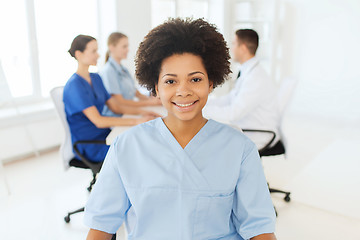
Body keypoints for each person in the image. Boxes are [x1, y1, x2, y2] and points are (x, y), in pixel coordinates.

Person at [84, 19, 277, 240]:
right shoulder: (126, 147)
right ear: (155, 87)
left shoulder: (239, 149)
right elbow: (101, 225)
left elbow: (259, 228)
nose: (183, 91)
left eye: (195, 79)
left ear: (210, 83)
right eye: (170, 81)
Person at [63, 35, 158, 162]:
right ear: (79, 54)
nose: (98, 55)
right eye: (93, 51)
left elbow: (116, 107)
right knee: (138, 151)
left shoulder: (96, 78)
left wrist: (142, 113)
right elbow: (99, 121)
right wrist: (137, 121)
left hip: (106, 134)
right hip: (91, 144)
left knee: (141, 140)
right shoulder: (74, 86)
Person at [203, 29, 279, 150]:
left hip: (257, 133)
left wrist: (201, 111)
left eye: (233, 44)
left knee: (207, 139)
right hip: (248, 125)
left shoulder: (255, 78)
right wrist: (203, 103)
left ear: (243, 48)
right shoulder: (249, 72)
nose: (231, 48)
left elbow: (233, 113)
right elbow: (230, 98)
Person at [99, 32, 161, 117]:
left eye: (127, 46)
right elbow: (119, 101)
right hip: (117, 117)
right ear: (112, 47)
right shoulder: (108, 71)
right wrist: (149, 102)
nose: (128, 49)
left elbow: (136, 93)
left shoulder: (123, 69)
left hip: (128, 113)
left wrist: (153, 101)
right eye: (124, 46)